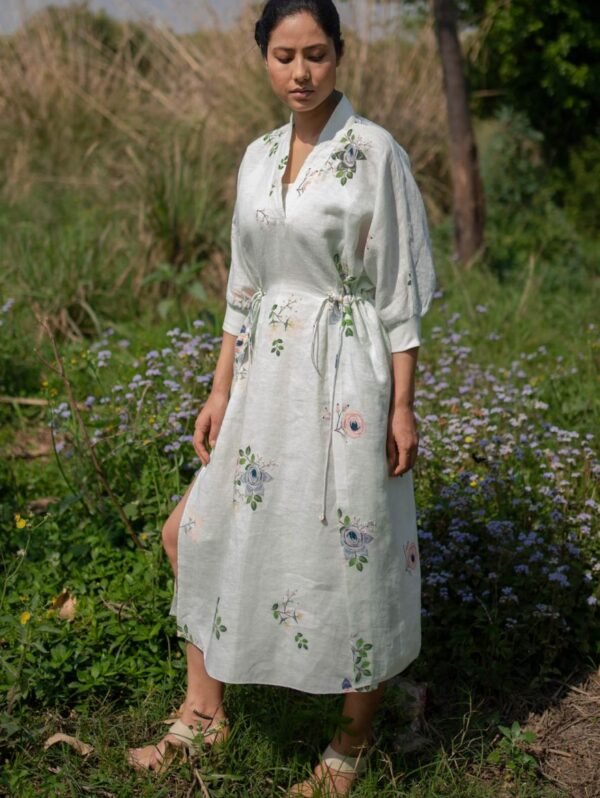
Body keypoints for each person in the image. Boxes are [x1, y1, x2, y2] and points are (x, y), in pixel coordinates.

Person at [128, 0, 437, 794]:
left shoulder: (375, 152)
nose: (301, 72)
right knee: (192, 531)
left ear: (340, 54)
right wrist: (218, 386)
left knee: (353, 546)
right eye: (284, 55)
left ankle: (350, 744)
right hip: (263, 378)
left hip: (346, 375)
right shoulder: (257, 155)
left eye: (316, 54)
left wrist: (402, 406)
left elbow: (399, 291)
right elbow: (245, 283)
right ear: (264, 57)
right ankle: (204, 713)